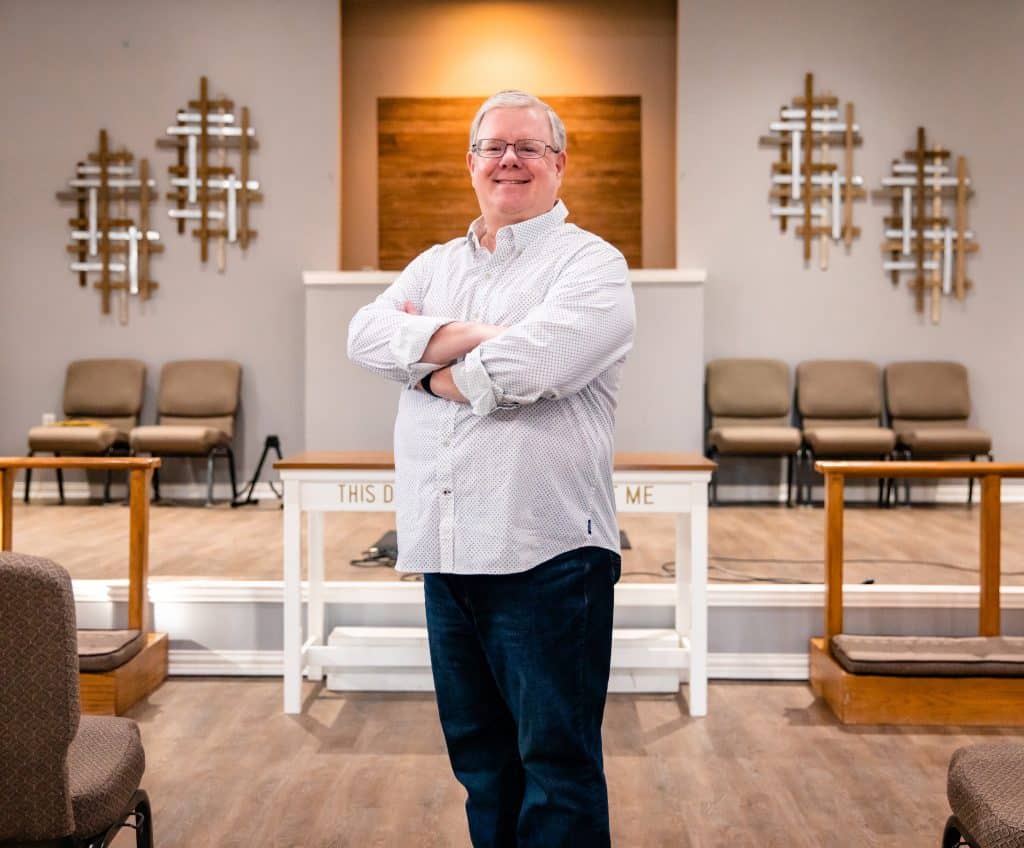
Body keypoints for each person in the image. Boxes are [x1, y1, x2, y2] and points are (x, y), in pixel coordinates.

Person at [347, 89, 635, 847]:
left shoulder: (592, 266)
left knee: (557, 768)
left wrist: (426, 364)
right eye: (493, 147)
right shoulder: (437, 263)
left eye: (528, 147)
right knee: (481, 765)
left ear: (559, 163)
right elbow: (365, 336)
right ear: (471, 163)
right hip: (448, 553)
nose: (510, 159)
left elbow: (524, 366)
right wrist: (475, 338)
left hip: (546, 554)